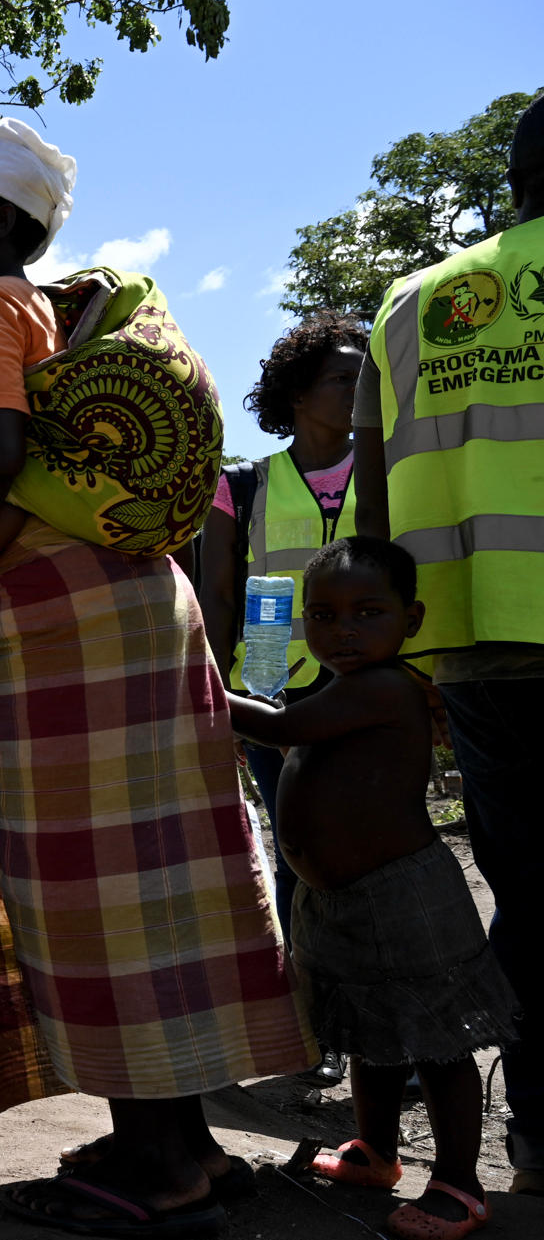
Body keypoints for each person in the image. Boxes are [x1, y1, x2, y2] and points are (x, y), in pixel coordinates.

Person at [0, 119, 313, 1238]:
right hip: (131, 607)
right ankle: (185, 1146)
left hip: (60, 632)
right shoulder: (51, 314)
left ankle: (159, 1166)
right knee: (158, 878)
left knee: (94, 892)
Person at [353, 93, 544, 1198]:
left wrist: (395, 655)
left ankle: (538, 1124)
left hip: (474, 639)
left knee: (525, 885)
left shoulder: (412, 300)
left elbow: (377, 503)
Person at [228, 538, 518, 1240]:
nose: (343, 631)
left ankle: (459, 1182)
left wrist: (197, 681)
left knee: (436, 1042)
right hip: (340, 903)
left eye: (367, 613)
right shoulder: (339, 688)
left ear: (410, 619)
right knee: (368, 1034)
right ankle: (375, 1151)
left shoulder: (384, 688)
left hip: (403, 899)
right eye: (323, 617)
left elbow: (279, 729)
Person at [196, 312, 366, 963]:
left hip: (363, 684)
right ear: (297, 394)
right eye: (341, 379)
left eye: (365, 378)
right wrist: (213, 700)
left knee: (367, 844)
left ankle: (377, 1019)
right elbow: (216, 597)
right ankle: (314, 1019)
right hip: (268, 691)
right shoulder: (241, 486)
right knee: (300, 847)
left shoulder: (386, 472)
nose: (358, 391)